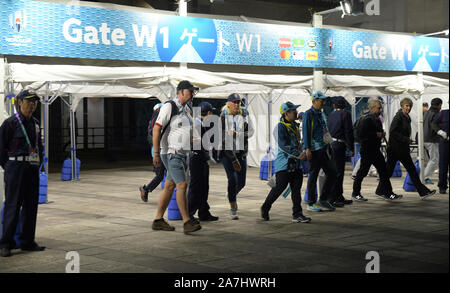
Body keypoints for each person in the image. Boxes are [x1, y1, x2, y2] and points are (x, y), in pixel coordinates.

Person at [151, 80, 201, 234]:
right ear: (181, 92)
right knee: (182, 185)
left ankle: (158, 220)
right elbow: (156, 129)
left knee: (170, 186)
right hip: (172, 154)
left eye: (193, 91)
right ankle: (187, 221)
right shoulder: (169, 106)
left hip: (182, 154)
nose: (193, 94)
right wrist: (156, 153)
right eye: (190, 91)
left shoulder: (186, 109)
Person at [0, 90, 45, 257]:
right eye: (28, 101)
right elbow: (1, 148)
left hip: (31, 168)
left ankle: (27, 241)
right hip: (15, 168)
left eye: (34, 101)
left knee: (31, 206)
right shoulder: (10, 123)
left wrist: (38, 162)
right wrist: (10, 166)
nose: (32, 104)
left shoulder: (34, 123)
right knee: (13, 205)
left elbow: (38, 146)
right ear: (19, 102)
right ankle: (6, 243)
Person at [261, 102, 311, 223]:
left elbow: (296, 143)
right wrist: (299, 154)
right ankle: (265, 207)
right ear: (286, 113)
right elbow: (283, 146)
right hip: (284, 164)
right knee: (278, 188)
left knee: (296, 190)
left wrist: (303, 151)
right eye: (293, 110)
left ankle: (297, 214)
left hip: (296, 163)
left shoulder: (294, 125)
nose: (296, 112)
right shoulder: (280, 127)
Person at [352, 98, 401, 201]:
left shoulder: (376, 119)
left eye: (381, 108)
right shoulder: (366, 119)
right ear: (372, 108)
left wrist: (381, 134)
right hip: (367, 150)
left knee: (383, 171)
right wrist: (376, 134)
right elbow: (362, 134)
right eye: (379, 108)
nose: (380, 110)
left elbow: (376, 132)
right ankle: (355, 193)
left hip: (375, 150)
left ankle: (388, 192)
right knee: (363, 172)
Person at [385, 98, 436, 200]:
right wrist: (406, 139)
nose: (408, 108)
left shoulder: (406, 117)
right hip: (397, 149)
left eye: (409, 106)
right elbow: (393, 132)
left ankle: (422, 192)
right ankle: (422, 192)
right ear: (402, 106)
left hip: (400, 149)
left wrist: (406, 140)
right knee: (409, 171)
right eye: (406, 106)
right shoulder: (398, 117)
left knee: (391, 172)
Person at [302, 91, 340, 212]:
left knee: (333, 172)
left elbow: (325, 130)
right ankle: (311, 202)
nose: (323, 102)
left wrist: (329, 144)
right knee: (313, 175)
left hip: (324, 148)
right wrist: (307, 148)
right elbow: (306, 131)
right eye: (321, 100)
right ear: (314, 101)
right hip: (314, 149)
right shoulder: (308, 114)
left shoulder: (321, 114)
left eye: (323, 100)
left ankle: (323, 199)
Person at [219, 93, 254, 220]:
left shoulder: (244, 114)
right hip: (227, 153)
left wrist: (238, 134)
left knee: (242, 182)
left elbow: (250, 132)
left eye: (238, 102)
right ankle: (233, 207)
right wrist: (233, 160)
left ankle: (231, 194)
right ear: (228, 103)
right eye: (234, 102)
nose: (237, 104)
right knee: (232, 179)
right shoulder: (223, 117)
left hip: (240, 152)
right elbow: (223, 141)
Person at [187, 101, 218, 221]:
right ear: (209, 112)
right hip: (196, 158)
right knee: (195, 187)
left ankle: (203, 212)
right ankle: (189, 214)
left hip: (202, 158)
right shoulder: (197, 124)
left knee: (204, 187)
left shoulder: (201, 123)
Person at [328, 96, 354, 206]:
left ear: (334, 105)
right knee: (339, 172)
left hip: (331, 144)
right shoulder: (346, 114)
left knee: (335, 171)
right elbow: (348, 131)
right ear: (344, 105)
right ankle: (334, 198)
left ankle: (339, 196)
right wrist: (351, 147)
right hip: (340, 145)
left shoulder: (330, 115)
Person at [139, 103, 166, 202]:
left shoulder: (152, 121)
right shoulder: (156, 123)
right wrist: (156, 154)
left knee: (163, 174)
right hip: (158, 152)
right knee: (160, 175)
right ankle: (145, 189)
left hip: (157, 152)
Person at [423, 98, 443, 184]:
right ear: (439, 105)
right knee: (434, 159)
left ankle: (442, 176)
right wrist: (441, 132)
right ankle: (425, 177)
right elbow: (434, 125)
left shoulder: (426, 112)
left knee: (432, 159)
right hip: (432, 139)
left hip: (424, 138)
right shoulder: (436, 113)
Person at [433, 109, 449, 194]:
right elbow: (433, 123)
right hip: (445, 142)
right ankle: (442, 186)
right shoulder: (443, 113)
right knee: (443, 164)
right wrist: (440, 131)